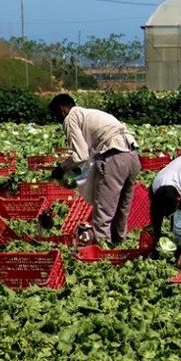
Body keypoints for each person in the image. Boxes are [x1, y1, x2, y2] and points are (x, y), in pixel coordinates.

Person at [48, 93, 141, 246]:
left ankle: (102, 250)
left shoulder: (71, 117)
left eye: (56, 115)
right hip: (132, 155)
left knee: (104, 209)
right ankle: (119, 244)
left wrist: (61, 168)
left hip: (115, 156)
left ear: (62, 109)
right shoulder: (89, 113)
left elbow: (80, 156)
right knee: (121, 207)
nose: (59, 120)